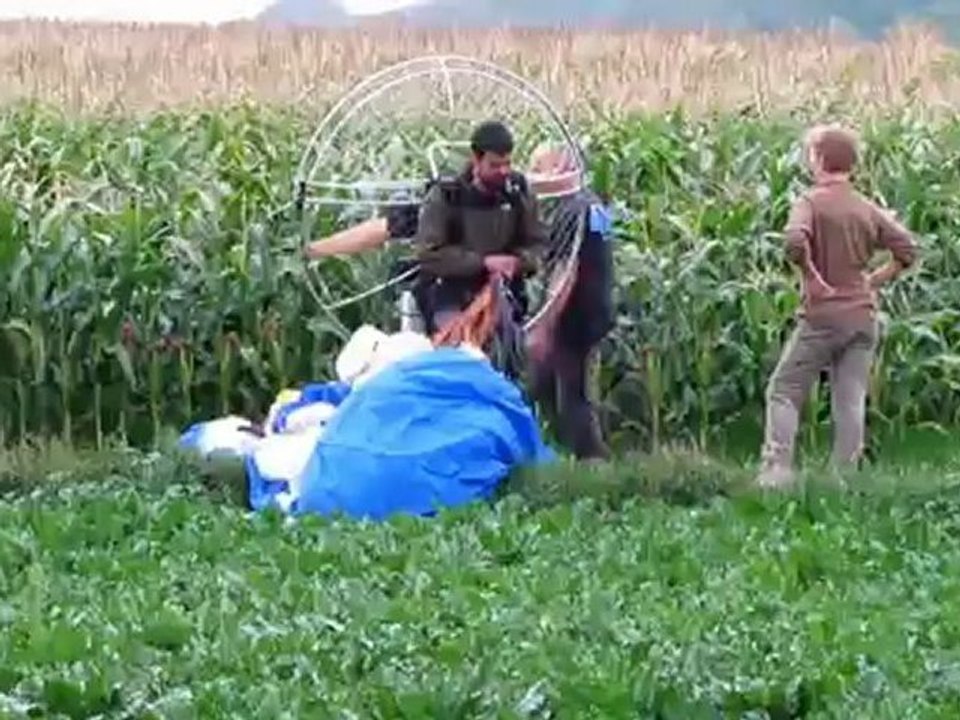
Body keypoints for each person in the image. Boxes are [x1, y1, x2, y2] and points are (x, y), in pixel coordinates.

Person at [756, 124, 918, 488]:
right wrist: (873, 280)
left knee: (784, 389)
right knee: (850, 398)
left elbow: (794, 240)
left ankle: (776, 472)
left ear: (818, 159)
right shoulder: (865, 207)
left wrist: (811, 277)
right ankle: (846, 478)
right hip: (862, 316)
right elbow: (907, 250)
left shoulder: (811, 202)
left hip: (824, 316)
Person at [413, 120, 548, 338]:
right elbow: (428, 255)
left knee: (512, 347)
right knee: (458, 345)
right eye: (494, 165)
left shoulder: (519, 192)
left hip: (505, 294)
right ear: (476, 160)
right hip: (451, 296)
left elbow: (538, 244)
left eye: (507, 164)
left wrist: (518, 262)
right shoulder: (447, 195)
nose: (503, 171)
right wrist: (483, 263)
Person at [523, 144, 614, 462]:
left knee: (572, 395)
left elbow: (565, 272)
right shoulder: (595, 206)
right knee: (543, 383)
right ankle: (551, 452)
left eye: (540, 167)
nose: (534, 175)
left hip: (574, 315)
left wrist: (545, 325)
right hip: (597, 308)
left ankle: (592, 461)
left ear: (562, 167)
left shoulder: (570, 211)